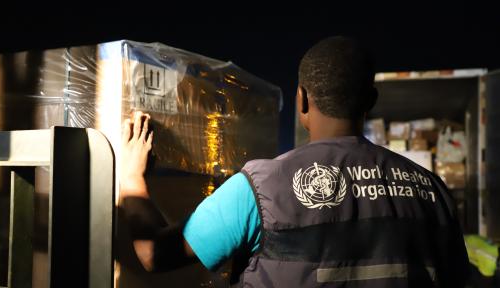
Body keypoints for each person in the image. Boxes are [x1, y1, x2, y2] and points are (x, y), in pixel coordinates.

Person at [120, 36, 469, 287]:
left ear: (302, 100)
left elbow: (154, 254)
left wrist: (132, 176)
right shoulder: (432, 191)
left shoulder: (261, 188)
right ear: (370, 101)